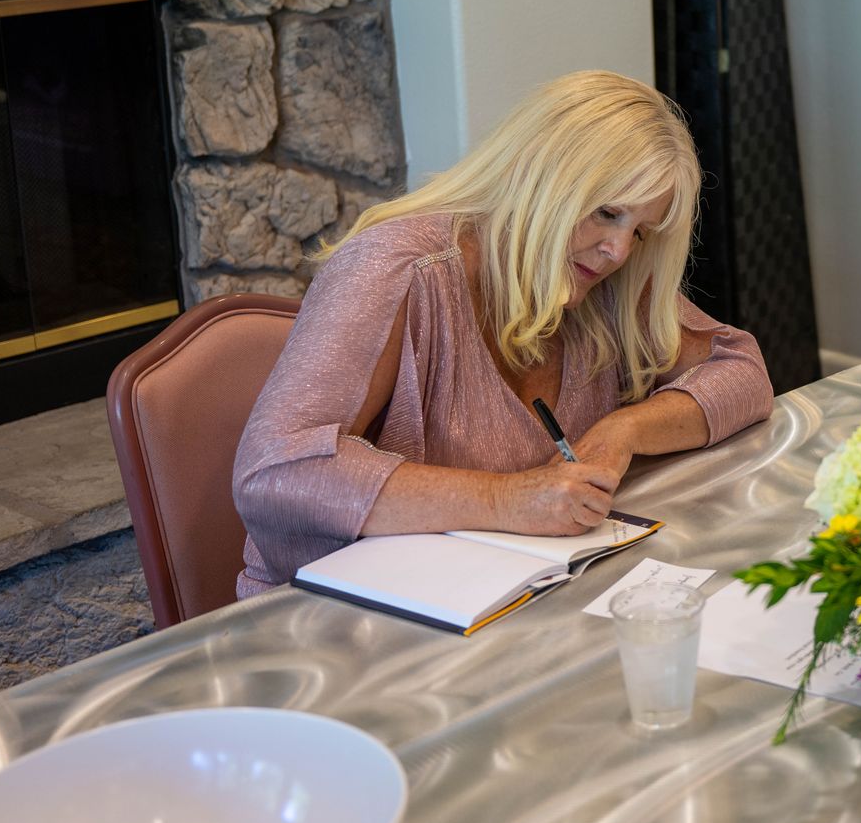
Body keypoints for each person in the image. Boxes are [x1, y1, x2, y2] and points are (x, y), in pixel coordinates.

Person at [233, 71, 774, 594]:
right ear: (540, 180)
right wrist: (508, 500)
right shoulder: (397, 267)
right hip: (351, 627)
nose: (619, 250)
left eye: (640, 229)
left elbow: (743, 372)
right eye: (606, 212)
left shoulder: (603, 277)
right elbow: (275, 471)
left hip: (514, 604)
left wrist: (621, 432)